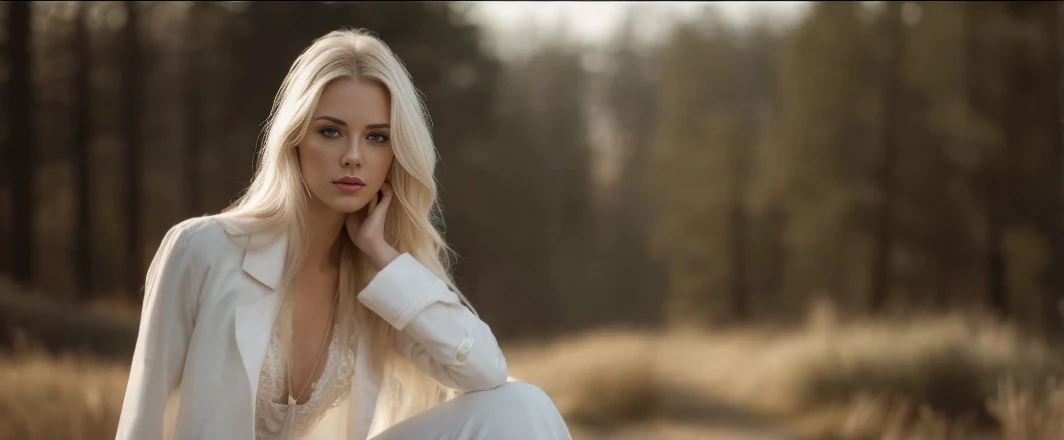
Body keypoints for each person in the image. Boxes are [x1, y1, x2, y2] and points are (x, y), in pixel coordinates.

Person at [115, 28, 572, 440]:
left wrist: (383, 255)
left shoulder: (379, 282)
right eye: (331, 131)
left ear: (396, 153)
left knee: (522, 404)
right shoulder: (202, 249)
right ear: (295, 138)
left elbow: (484, 370)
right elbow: (145, 415)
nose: (354, 156)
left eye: (376, 137)